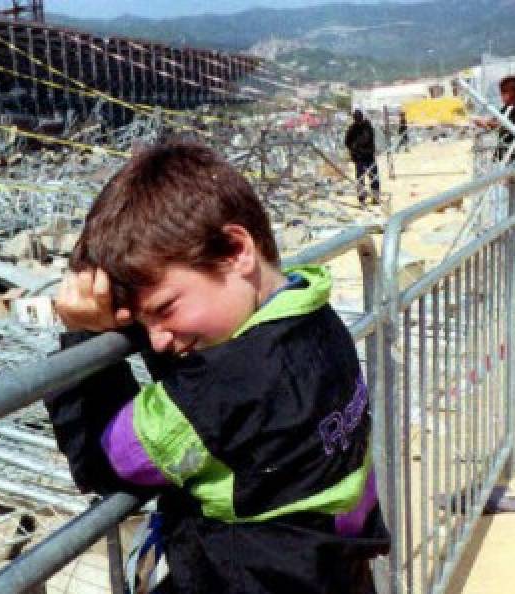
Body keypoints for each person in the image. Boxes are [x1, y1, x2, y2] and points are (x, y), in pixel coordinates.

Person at [49, 142, 389, 594]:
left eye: (165, 308)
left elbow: (105, 460)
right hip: (336, 572)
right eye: (141, 325)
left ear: (235, 249)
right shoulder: (318, 320)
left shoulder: (223, 389)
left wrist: (83, 338)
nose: (157, 340)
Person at [475, 76, 515, 162]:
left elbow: (509, 125)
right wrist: (486, 121)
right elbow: (498, 119)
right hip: (511, 152)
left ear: (512, 92)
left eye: (503, 93)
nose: (501, 96)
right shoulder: (512, 105)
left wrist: (488, 123)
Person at [344, 110, 381, 206]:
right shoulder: (352, 128)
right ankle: (362, 199)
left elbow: (368, 138)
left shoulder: (367, 127)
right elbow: (347, 142)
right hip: (359, 157)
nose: (358, 120)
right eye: (357, 119)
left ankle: (375, 197)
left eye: (359, 118)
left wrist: (357, 146)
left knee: (374, 177)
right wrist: (354, 150)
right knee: (361, 179)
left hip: (368, 156)